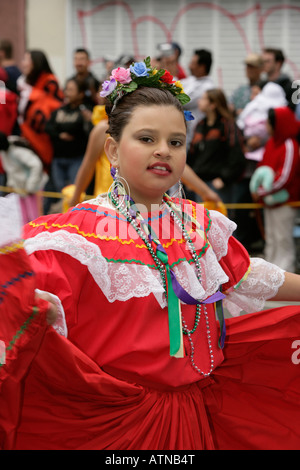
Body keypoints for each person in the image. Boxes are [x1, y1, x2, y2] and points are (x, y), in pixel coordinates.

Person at [2, 57, 300, 451]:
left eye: (176, 142)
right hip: (118, 429)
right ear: (112, 147)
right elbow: (29, 304)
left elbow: (247, 275)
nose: (164, 151)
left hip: (192, 414)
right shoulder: (74, 237)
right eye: (146, 139)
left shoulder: (200, 224)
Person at [250, 106, 300, 273]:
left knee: (283, 238)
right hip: (269, 200)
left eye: (269, 123)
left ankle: (286, 272)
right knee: (271, 237)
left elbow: (285, 176)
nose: (267, 127)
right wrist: (258, 189)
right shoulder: (272, 142)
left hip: (285, 201)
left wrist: (261, 191)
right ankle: (271, 272)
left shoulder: (290, 144)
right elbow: (263, 166)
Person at [187, 88, 246, 205]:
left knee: (219, 220)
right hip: (199, 183)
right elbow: (192, 153)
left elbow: (237, 154)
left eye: (204, 99)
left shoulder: (228, 125)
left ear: (213, 105)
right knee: (199, 221)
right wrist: (191, 179)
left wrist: (225, 178)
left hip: (218, 184)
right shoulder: (200, 125)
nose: (199, 101)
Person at [17, 49, 63, 171]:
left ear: (35, 62)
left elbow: (54, 105)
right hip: (27, 138)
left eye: (26, 60)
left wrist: (32, 95)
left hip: (44, 139)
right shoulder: (25, 84)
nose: (23, 63)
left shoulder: (50, 81)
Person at [45, 78, 93, 193]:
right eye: (66, 89)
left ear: (80, 94)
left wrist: (61, 128)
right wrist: (60, 134)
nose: (67, 93)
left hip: (77, 158)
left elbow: (76, 128)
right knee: (60, 192)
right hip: (58, 158)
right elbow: (48, 127)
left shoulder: (85, 111)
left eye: (71, 90)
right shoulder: (60, 110)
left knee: (75, 191)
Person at [0, 132, 47, 224]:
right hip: (20, 189)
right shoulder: (3, 152)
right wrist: (11, 184)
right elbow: (10, 170)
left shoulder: (18, 151)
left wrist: (31, 186)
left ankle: (35, 236)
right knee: (23, 217)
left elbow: (36, 165)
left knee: (35, 217)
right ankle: (25, 236)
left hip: (32, 189)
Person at [180, 49, 214, 147]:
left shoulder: (207, 87)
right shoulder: (191, 80)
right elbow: (173, 86)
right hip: (185, 132)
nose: (190, 66)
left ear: (202, 67)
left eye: (193, 63)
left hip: (194, 136)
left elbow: (182, 101)